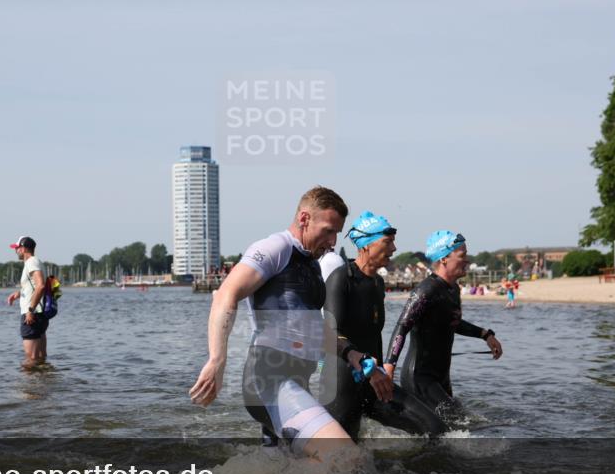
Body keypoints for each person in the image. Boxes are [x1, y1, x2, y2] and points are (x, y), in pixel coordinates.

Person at [190, 186, 354, 457]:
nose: (333, 241)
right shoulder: (276, 248)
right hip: (269, 380)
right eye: (328, 230)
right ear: (304, 219)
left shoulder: (311, 263)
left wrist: (352, 354)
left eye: (336, 232)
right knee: (344, 456)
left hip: (296, 379)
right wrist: (217, 360)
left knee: (310, 468)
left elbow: (314, 325)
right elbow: (225, 295)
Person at [321, 211, 447, 440]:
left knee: (436, 429)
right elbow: (329, 333)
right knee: (343, 462)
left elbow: (373, 333)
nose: (395, 248)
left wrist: (384, 368)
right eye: (388, 242)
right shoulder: (342, 279)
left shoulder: (377, 283)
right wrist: (364, 365)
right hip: (341, 386)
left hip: (375, 383)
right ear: (366, 245)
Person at [382, 231, 503, 418]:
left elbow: (451, 322)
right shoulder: (426, 290)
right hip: (420, 377)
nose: (467, 261)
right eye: (462, 256)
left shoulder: (453, 289)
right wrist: (389, 367)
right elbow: (402, 327)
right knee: (458, 423)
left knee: (454, 427)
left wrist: (485, 335)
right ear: (445, 258)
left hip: (441, 377)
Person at [6, 236, 49, 364]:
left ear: (23, 248)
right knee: (40, 359)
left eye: (17, 248)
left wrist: (30, 310)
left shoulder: (31, 262)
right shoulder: (36, 262)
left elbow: (40, 285)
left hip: (32, 315)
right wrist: (19, 293)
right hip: (39, 315)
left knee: (30, 360)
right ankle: (42, 383)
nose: (16, 251)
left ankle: (29, 384)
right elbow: (35, 286)